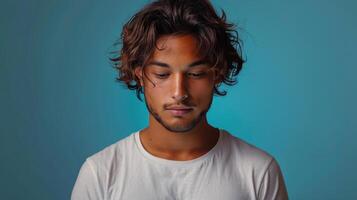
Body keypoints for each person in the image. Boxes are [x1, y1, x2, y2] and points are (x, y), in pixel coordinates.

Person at [71, 0, 289, 199]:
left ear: (218, 73)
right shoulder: (100, 173)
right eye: (162, 74)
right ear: (140, 75)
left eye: (195, 74)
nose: (179, 92)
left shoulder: (258, 171)